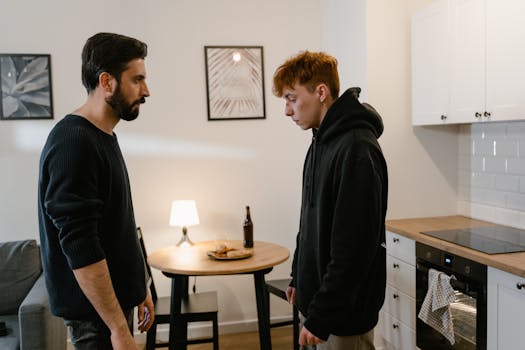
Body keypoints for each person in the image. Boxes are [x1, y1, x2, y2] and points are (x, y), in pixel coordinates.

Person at [37, 32, 154, 350]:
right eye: (137, 79)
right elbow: (80, 244)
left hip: (112, 307)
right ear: (107, 81)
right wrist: (117, 328)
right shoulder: (73, 142)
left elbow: (116, 225)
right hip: (97, 318)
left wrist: (137, 285)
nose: (146, 91)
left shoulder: (102, 136)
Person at [273, 51, 388, 350]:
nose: (287, 110)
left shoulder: (357, 149)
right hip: (318, 307)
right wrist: (299, 276)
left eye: (291, 98)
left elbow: (354, 248)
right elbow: (308, 220)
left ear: (321, 92)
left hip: (342, 317)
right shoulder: (320, 141)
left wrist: (322, 314)